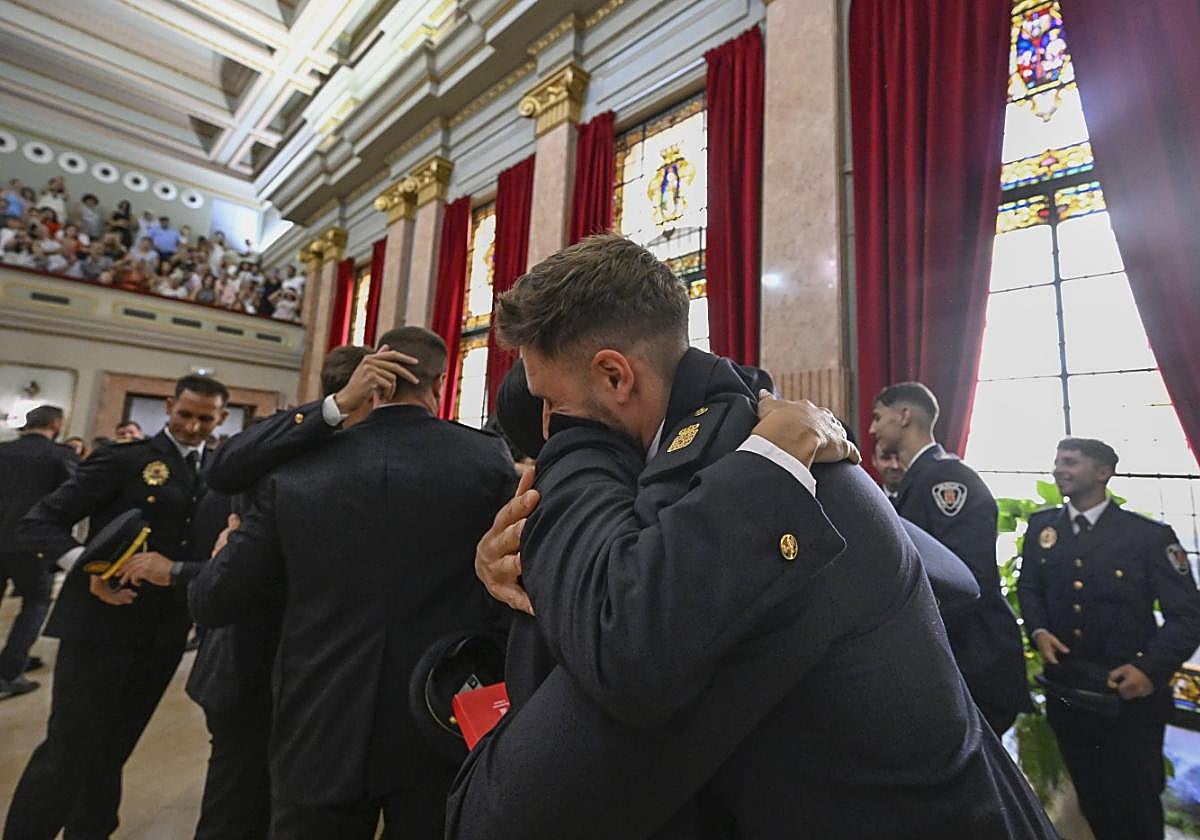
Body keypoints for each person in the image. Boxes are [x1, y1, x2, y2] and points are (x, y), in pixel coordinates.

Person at [448, 235, 1055, 839]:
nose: (553, 432)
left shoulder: (756, 483)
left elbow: (519, 798)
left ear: (614, 376)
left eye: (554, 406)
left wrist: (570, 469)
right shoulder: (728, 451)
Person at [189, 327, 516, 839]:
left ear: (375, 380)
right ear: (442, 379)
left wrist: (220, 558)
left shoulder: (296, 471)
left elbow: (215, 601)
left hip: (318, 717)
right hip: (435, 713)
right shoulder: (485, 459)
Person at [187, 344, 407, 840]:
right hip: (253, 666)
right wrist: (336, 406)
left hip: (324, 679)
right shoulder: (289, 441)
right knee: (236, 810)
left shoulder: (383, 457)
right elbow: (221, 469)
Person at [4, 376, 229, 840]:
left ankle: (92, 830)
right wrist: (89, 567)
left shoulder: (220, 475)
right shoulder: (124, 460)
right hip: (100, 626)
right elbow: (39, 522)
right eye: (185, 414)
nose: (192, 426)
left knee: (114, 750)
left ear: (221, 419)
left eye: (205, 419)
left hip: (163, 632)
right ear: (169, 406)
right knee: (68, 749)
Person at [1019, 437, 1200, 840]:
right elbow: (1030, 587)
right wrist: (1040, 629)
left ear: (1103, 473)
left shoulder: (1148, 537)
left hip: (1129, 699)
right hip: (1070, 693)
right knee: (1094, 800)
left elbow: (1188, 615)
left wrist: (1149, 670)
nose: (1058, 469)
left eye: (1071, 462)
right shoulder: (1043, 528)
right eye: (1056, 460)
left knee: (1135, 806)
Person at [869, 381, 1031, 735]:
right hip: (954, 661)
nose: (872, 429)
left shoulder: (947, 480)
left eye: (878, 417)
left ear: (905, 416)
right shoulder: (921, 478)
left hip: (974, 662)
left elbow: (964, 581)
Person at [0, 406, 77, 699]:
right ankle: (9, 672)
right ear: (56, 423)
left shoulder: (2, 451)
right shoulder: (59, 455)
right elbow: (71, 497)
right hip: (30, 541)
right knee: (37, 600)